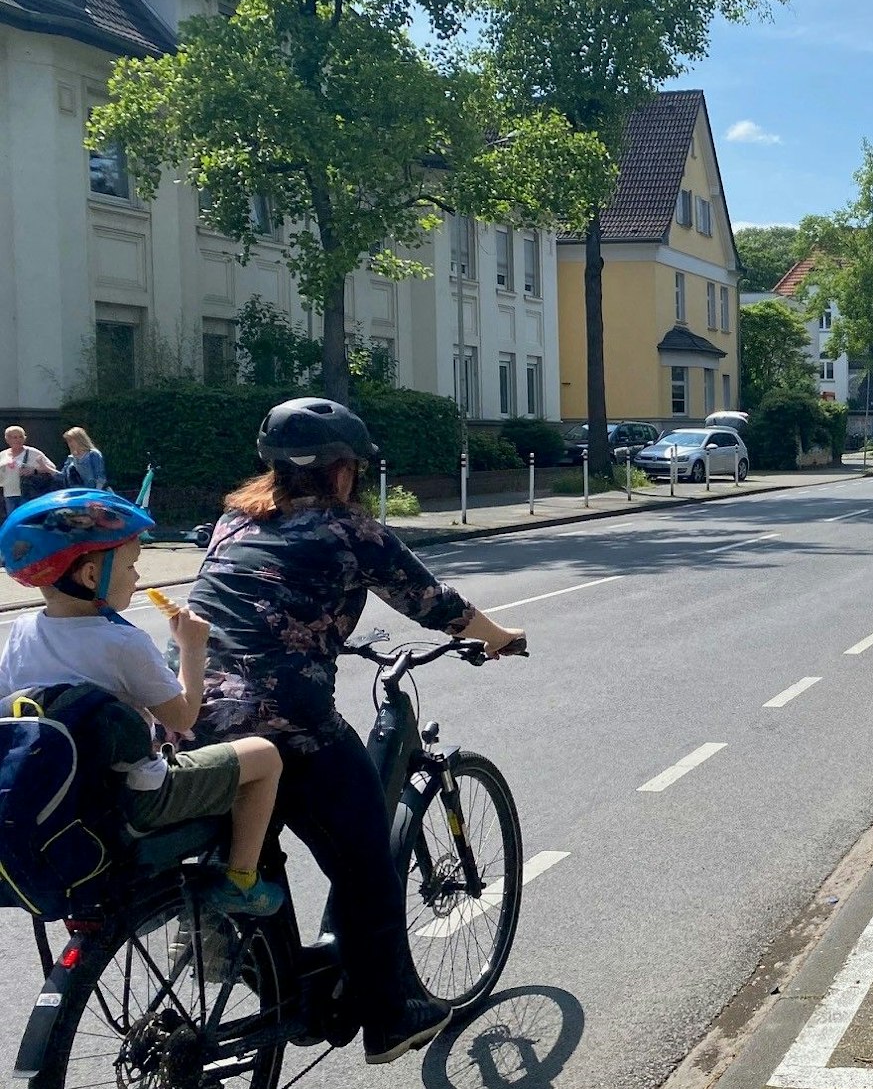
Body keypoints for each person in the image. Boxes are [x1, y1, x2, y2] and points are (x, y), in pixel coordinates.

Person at [187, 397, 525, 1065]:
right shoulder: (347, 530)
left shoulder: (233, 521)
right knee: (366, 856)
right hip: (290, 727)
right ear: (343, 472)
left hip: (195, 720)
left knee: (254, 852)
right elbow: (436, 604)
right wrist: (502, 638)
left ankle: (266, 969)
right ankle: (390, 1014)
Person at [0, 490, 286, 915]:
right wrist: (192, 648)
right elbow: (184, 716)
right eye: (131, 564)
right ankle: (240, 881)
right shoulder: (122, 642)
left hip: (72, 798)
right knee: (264, 757)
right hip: (137, 794)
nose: (137, 576)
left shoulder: (20, 633)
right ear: (92, 575)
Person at [1, 427, 58, 513]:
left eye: (21, 437)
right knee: (12, 521)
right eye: (15, 437)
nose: (18, 440)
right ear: (7, 439)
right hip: (9, 494)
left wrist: (34, 470)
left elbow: (52, 468)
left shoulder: (33, 453)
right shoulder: (3, 455)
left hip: (28, 494)